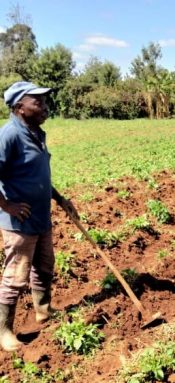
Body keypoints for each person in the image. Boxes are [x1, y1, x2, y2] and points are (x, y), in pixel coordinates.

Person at [0, 81, 78, 351]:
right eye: (39, 102)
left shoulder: (37, 133)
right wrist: (7, 205)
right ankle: (5, 331)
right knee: (15, 276)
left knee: (45, 266)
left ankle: (43, 310)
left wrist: (60, 199)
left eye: (45, 102)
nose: (45, 107)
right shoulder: (9, 135)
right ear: (20, 107)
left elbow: (39, 176)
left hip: (41, 217)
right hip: (19, 223)